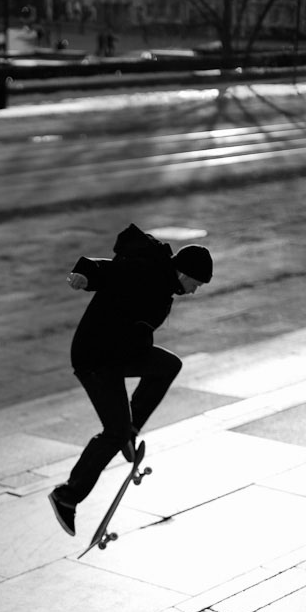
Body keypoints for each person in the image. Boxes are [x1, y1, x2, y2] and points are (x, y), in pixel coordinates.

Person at [49, 223, 213, 536]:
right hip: (95, 359)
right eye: (197, 283)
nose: (195, 290)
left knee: (168, 366)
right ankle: (67, 496)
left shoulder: (164, 284)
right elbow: (108, 269)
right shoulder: (149, 272)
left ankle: (131, 429)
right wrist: (84, 275)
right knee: (113, 430)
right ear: (185, 272)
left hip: (118, 355)